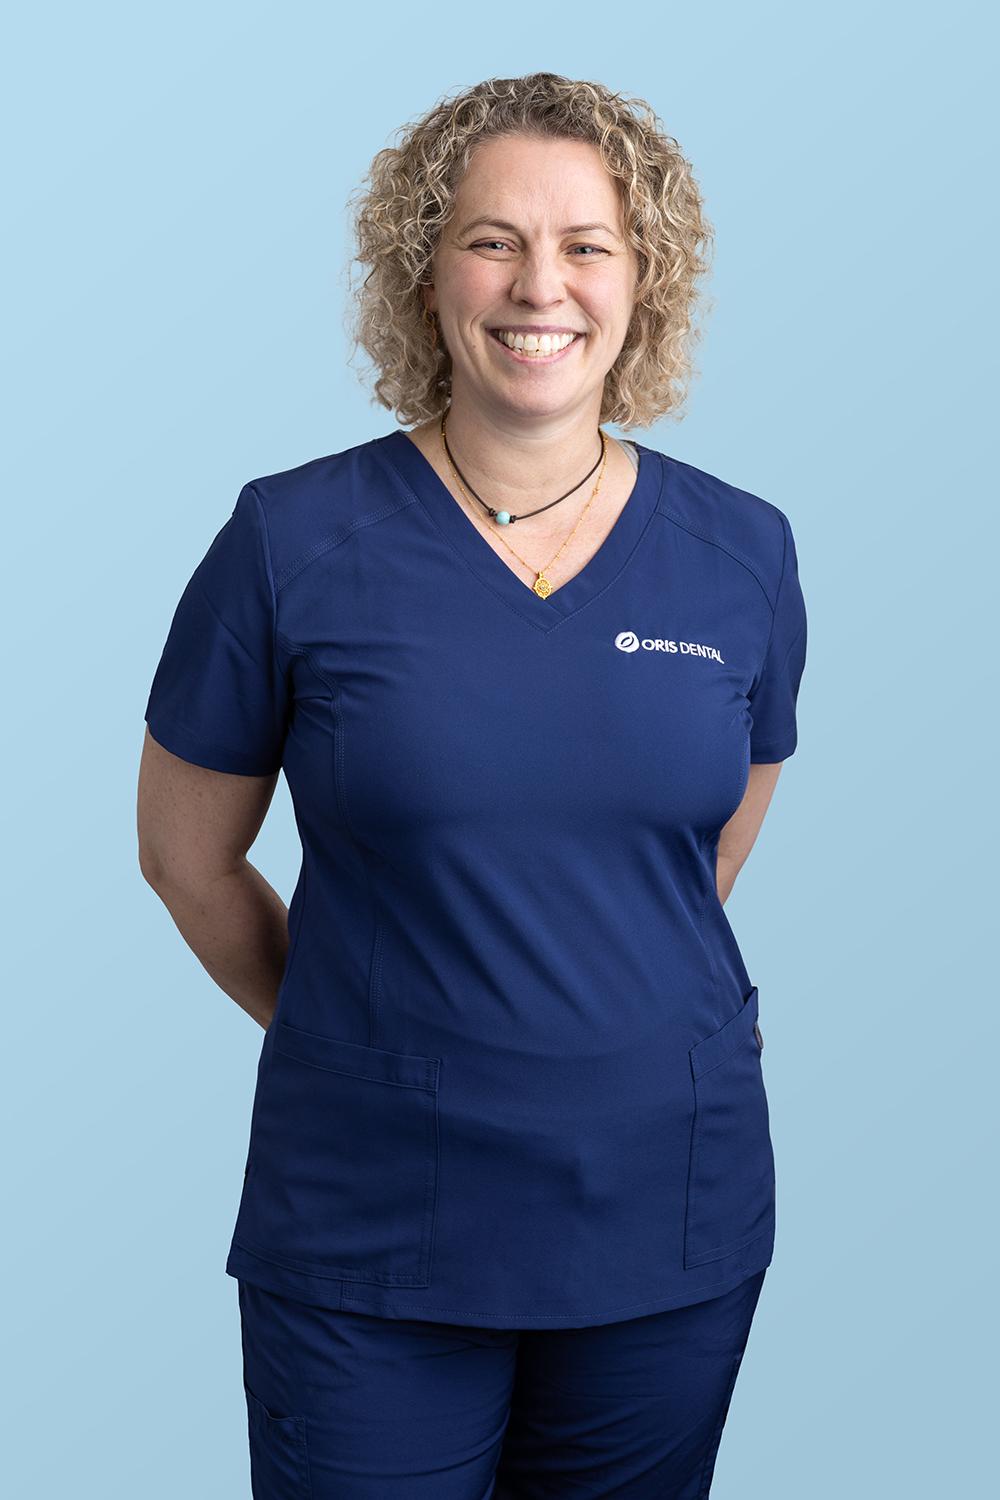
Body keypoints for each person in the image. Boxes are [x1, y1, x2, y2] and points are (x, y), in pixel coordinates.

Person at [137, 70, 807, 1500]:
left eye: (586, 245)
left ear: (642, 280)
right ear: (425, 269)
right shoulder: (290, 542)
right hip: (371, 1223)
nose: (538, 286)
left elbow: (701, 858)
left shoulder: (743, 553)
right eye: (492, 240)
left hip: (667, 1215)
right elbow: (186, 858)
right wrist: (365, 1032)